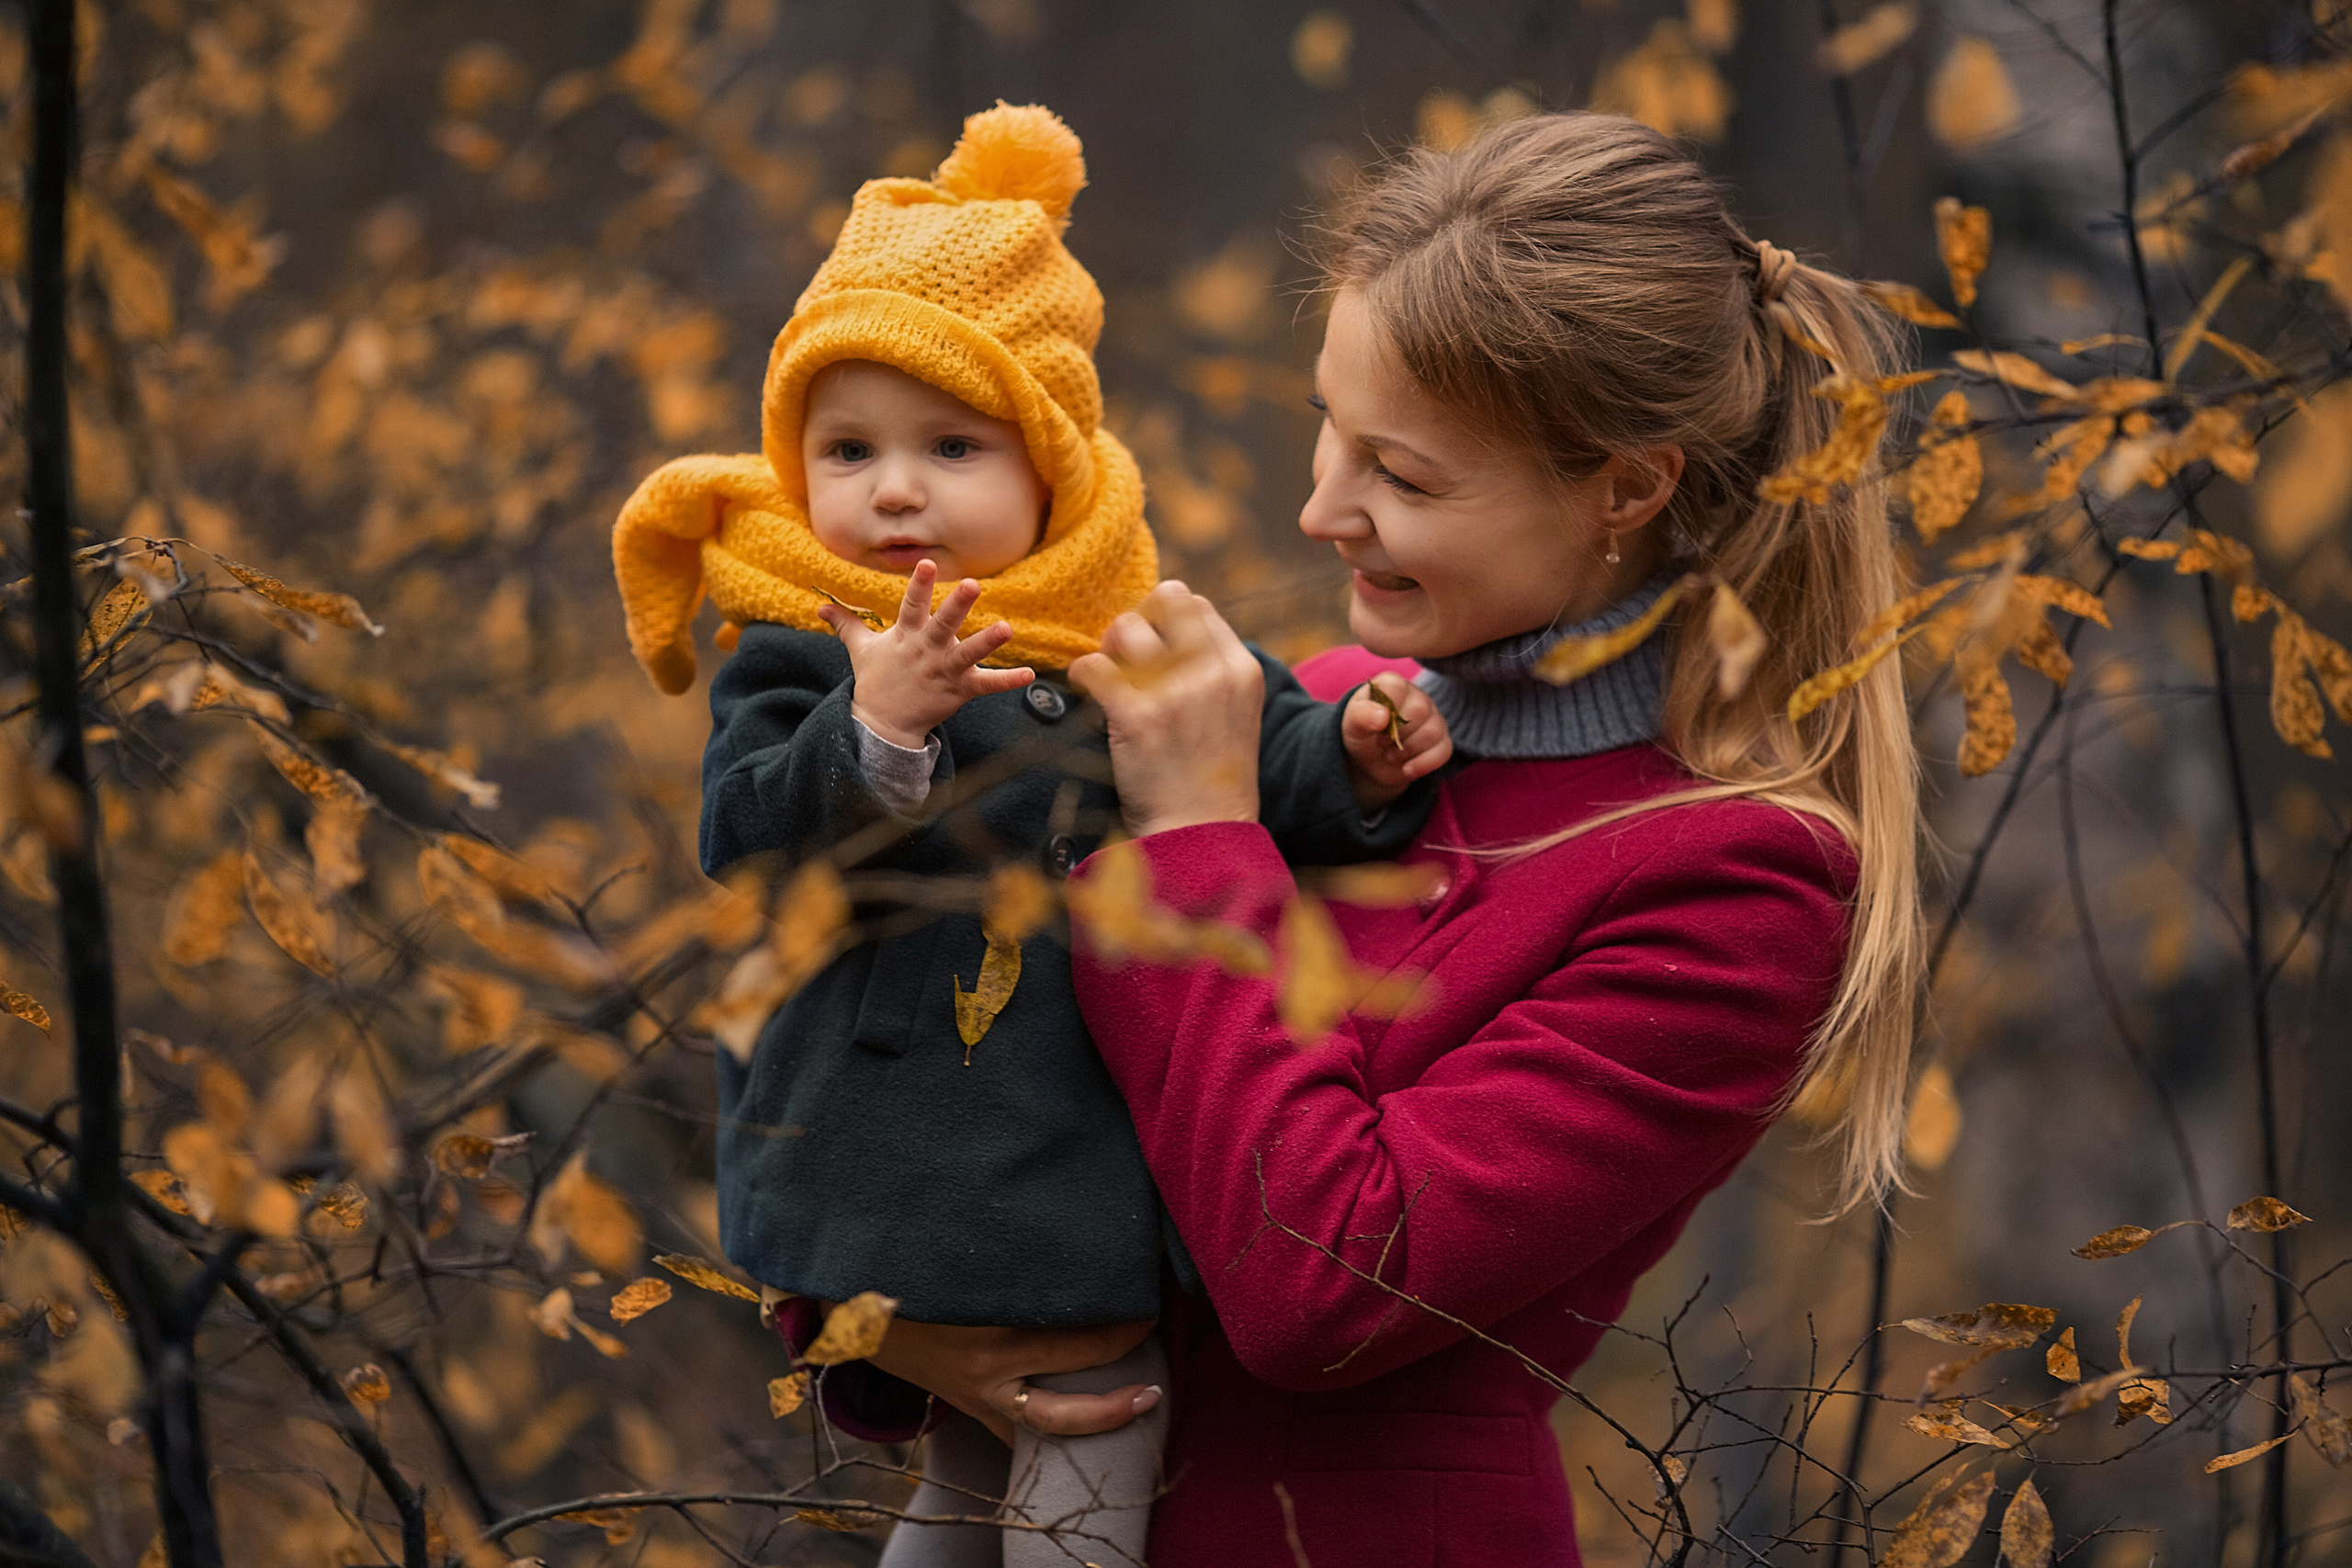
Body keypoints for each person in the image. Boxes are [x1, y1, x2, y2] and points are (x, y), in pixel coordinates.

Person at [857, 110, 1926, 1566]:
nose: (1318, 510)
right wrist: (878, 1318)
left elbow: (1334, 1293)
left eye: (1405, 478)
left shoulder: (1737, 881)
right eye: (1330, 426)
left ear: (1628, 486)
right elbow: (944, 1019)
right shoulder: (1340, 724)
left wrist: (1192, 842)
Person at [608, 104, 1453, 1568]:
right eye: (848, 446)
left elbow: (1250, 763)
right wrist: (879, 731)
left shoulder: (1111, 632)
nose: (893, 491)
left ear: (1049, 466)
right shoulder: (805, 648)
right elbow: (742, 837)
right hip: (898, 1149)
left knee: (983, 1471)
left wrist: (1358, 758)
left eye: (950, 445)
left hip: (1049, 1139)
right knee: (1099, 1419)